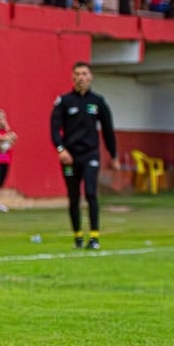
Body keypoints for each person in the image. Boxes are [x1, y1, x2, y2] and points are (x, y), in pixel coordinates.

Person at [50, 61, 119, 250]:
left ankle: (94, 238)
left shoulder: (97, 102)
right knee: (73, 196)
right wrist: (61, 150)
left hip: (90, 155)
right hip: (70, 157)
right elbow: (54, 130)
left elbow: (108, 130)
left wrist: (114, 155)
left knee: (90, 192)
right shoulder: (64, 102)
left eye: (85, 74)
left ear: (91, 77)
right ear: (73, 77)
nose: (81, 77)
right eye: (78, 74)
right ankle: (78, 237)